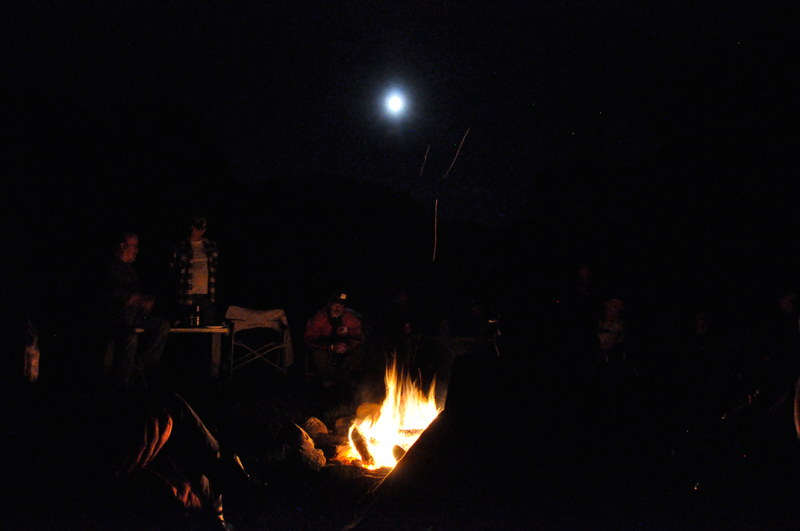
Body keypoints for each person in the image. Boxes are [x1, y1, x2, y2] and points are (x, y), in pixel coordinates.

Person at [102, 232, 170, 388]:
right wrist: (140, 300)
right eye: (134, 246)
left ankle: (140, 366)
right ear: (122, 246)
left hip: (132, 318)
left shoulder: (129, 269)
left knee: (162, 326)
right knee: (130, 336)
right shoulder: (112, 267)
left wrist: (144, 306)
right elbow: (117, 295)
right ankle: (121, 384)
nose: (137, 250)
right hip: (115, 319)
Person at [304, 292, 365, 389]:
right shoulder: (320, 318)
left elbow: (359, 337)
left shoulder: (350, 318)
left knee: (359, 351)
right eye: (335, 304)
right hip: (326, 349)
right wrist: (331, 347)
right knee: (317, 354)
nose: (337, 308)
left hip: (344, 348)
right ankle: (331, 381)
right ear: (329, 304)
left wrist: (348, 346)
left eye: (340, 305)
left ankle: (342, 380)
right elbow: (310, 338)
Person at [171, 216, 219, 326]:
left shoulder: (211, 246)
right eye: (192, 228)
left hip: (207, 296)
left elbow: (215, 267)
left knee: (207, 326)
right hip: (186, 295)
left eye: (196, 228)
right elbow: (174, 268)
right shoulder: (180, 246)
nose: (193, 231)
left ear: (203, 230)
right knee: (186, 326)